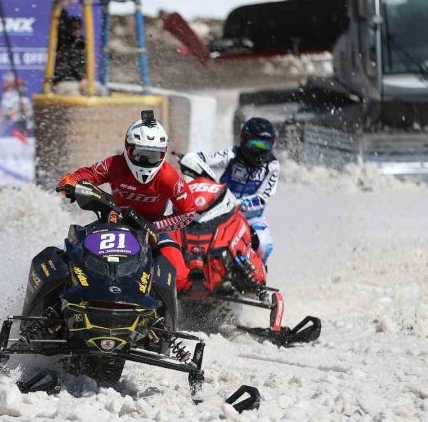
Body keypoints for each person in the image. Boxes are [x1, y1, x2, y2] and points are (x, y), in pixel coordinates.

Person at [56, 111, 195, 291]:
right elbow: (86, 174)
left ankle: (158, 312)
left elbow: (189, 212)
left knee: (179, 276)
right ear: (128, 147)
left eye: (153, 156)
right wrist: (70, 183)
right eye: (139, 154)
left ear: (163, 154)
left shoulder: (169, 176)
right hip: (112, 224)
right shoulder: (114, 164)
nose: (145, 161)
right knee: (62, 257)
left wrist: (155, 227)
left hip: (153, 231)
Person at [182, 117, 279, 263]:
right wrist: (191, 158)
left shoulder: (273, 166)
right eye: (255, 144)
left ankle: (260, 278)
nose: (259, 150)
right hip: (222, 211)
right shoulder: (233, 153)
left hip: (251, 217)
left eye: (264, 145)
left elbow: (263, 197)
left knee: (264, 245)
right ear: (244, 140)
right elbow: (210, 158)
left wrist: (238, 203)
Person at [52, 7, 86, 96]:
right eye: (73, 28)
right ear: (68, 28)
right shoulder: (62, 42)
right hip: (63, 81)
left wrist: (83, 78)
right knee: (74, 94)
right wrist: (61, 4)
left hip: (80, 81)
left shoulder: (82, 43)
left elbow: (81, 65)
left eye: (78, 28)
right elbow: (60, 23)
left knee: (101, 90)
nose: (76, 30)